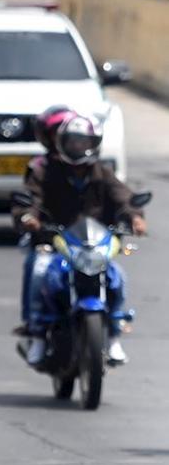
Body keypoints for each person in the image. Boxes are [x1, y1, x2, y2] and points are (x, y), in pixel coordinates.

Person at [13, 108, 147, 367]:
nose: (78, 146)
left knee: (117, 275)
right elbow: (29, 200)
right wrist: (29, 218)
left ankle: (114, 335)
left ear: (93, 144)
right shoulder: (45, 171)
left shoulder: (102, 172)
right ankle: (38, 333)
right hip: (53, 243)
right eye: (73, 141)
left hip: (94, 245)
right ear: (61, 143)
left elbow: (123, 197)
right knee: (40, 271)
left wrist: (134, 217)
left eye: (83, 142)